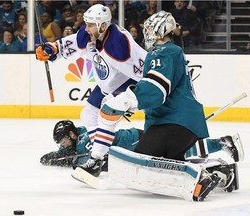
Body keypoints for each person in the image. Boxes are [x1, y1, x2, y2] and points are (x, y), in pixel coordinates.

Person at [73, 10, 224, 200]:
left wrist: (127, 99)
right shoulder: (166, 53)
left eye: (151, 28)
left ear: (161, 30)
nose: (147, 32)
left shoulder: (165, 51)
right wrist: (127, 100)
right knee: (165, 162)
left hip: (174, 123)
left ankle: (200, 180)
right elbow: (153, 90)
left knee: (142, 158)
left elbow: (156, 88)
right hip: (179, 122)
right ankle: (220, 170)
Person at [35, 4, 147, 162]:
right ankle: (102, 151)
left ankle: (101, 153)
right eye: (86, 24)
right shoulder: (91, 34)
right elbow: (75, 42)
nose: (86, 28)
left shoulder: (118, 44)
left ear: (102, 26)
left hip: (128, 82)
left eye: (90, 25)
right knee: (88, 114)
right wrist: (53, 49)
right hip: (109, 84)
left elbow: (144, 68)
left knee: (105, 116)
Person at [41, 120, 243, 168]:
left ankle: (220, 143)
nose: (64, 145)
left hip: (136, 143)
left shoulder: (86, 140)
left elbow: (88, 159)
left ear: (72, 134)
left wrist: (66, 162)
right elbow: (68, 154)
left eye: (65, 140)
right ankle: (219, 145)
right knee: (177, 153)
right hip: (134, 143)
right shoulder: (76, 140)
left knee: (176, 154)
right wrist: (55, 157)